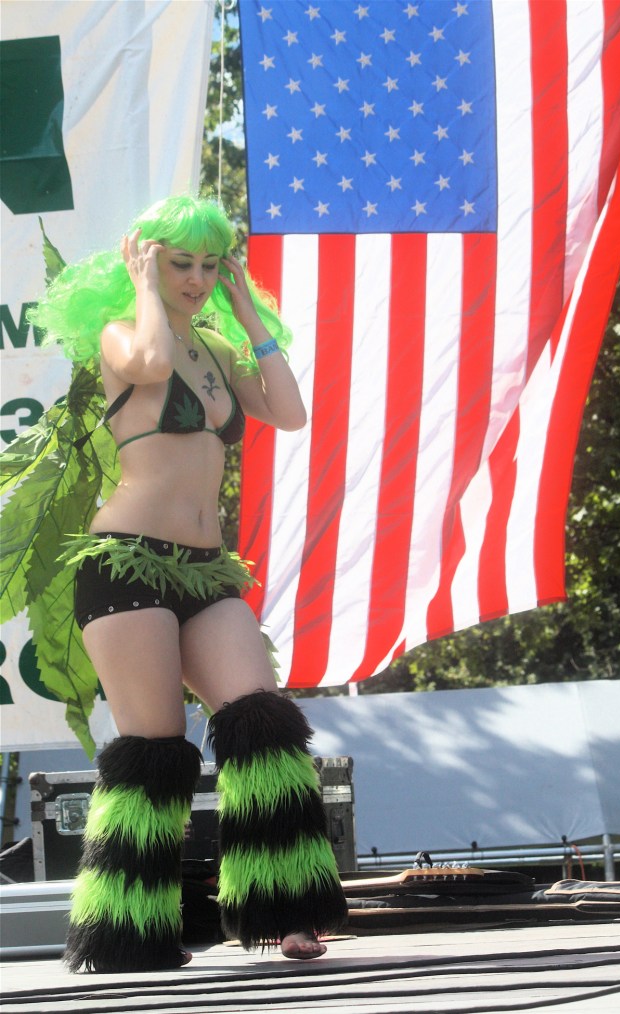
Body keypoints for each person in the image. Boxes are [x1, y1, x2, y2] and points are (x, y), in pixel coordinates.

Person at [24, 195, 348, 973]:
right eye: (182, 264)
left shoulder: (215, 348)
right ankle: (125, 935)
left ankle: (286, 909)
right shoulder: (121, 337)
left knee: (263, 721)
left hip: (205, 568)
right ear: (146, 261)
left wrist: (247, 311)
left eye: (211, 264)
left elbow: (290, 411)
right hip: (124, 564)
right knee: (154, 753)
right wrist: (142, 288)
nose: (199, 278)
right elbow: (148, 365)